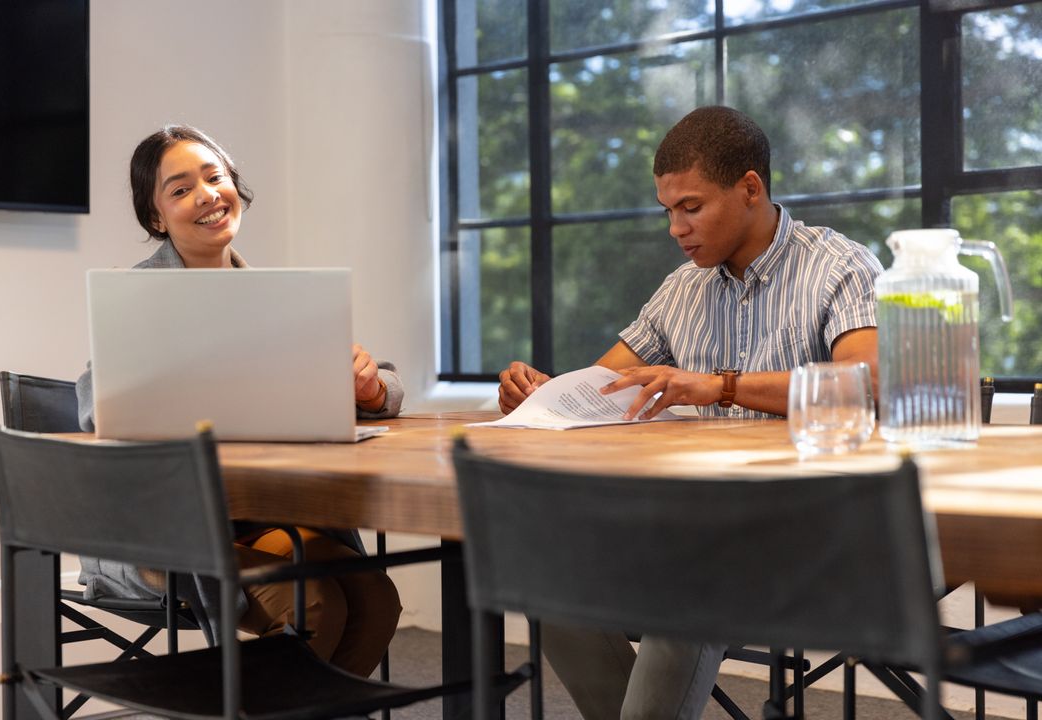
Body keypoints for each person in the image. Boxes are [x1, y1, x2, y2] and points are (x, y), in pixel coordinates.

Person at [497, 106, 882, 719]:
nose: (676, 228)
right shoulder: (681, 289)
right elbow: (605, 389)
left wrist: (719, 386)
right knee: (546, 579)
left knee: (690, 594)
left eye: (691, 207)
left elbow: (863, 387)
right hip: (685, 522)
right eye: (667, 211)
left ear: (750, 189)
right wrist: (538, 392)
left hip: (810, 530)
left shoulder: (841, 267)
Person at [75, 125, 401, 677]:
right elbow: (91, 405)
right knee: (313, 603)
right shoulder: (136, 298)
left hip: (268, 516)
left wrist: (369, 387)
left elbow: (387, 386)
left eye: (215, 177)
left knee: (375, 599)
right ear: (156, 217)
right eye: (179, 190)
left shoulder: (278, 299)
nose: (205, 195)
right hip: (169, 536)